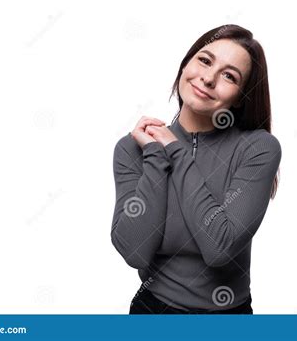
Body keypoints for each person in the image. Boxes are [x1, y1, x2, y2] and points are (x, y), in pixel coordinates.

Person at [111, 24, 281, 314]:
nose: (208, 78)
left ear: (240, 96)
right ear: (185, 64)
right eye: (204, 60)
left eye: (229, 75)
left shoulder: (258, 149)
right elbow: (135, 251)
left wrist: (174, 152)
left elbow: (219, 248)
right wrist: (155, 153)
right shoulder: (135, 148)